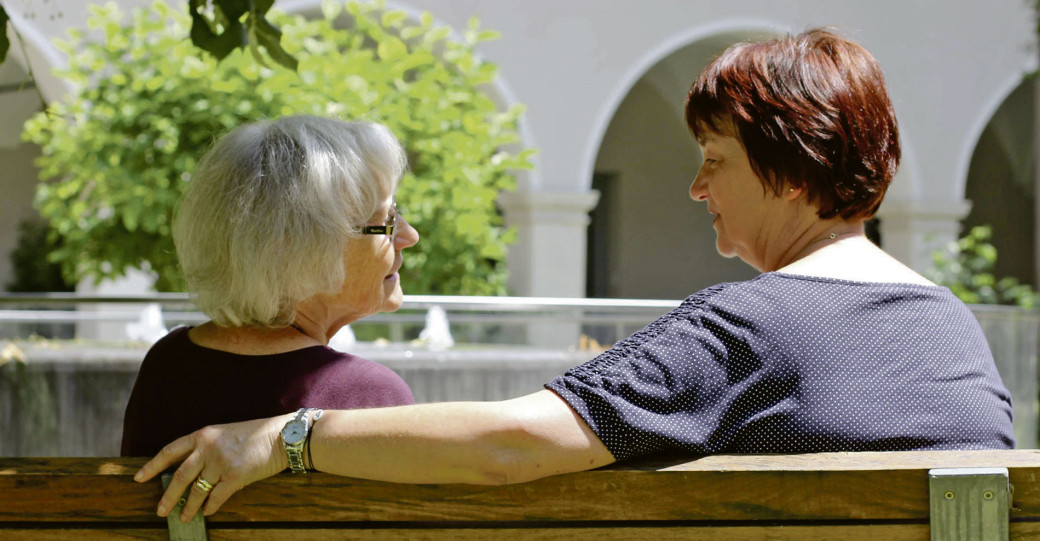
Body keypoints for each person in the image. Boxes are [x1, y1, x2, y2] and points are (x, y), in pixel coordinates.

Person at [137, 29, 1015, 521]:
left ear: (786, 168)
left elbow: (511, 446)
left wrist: (284, 437)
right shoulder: (952, 329)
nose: (696, 184)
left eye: (715, 158)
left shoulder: (750, 328)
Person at [120, 115, 420, 456]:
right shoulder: (369, 395)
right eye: (388, 222)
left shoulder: (167, 363)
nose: (410, 236)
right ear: (306, 248)